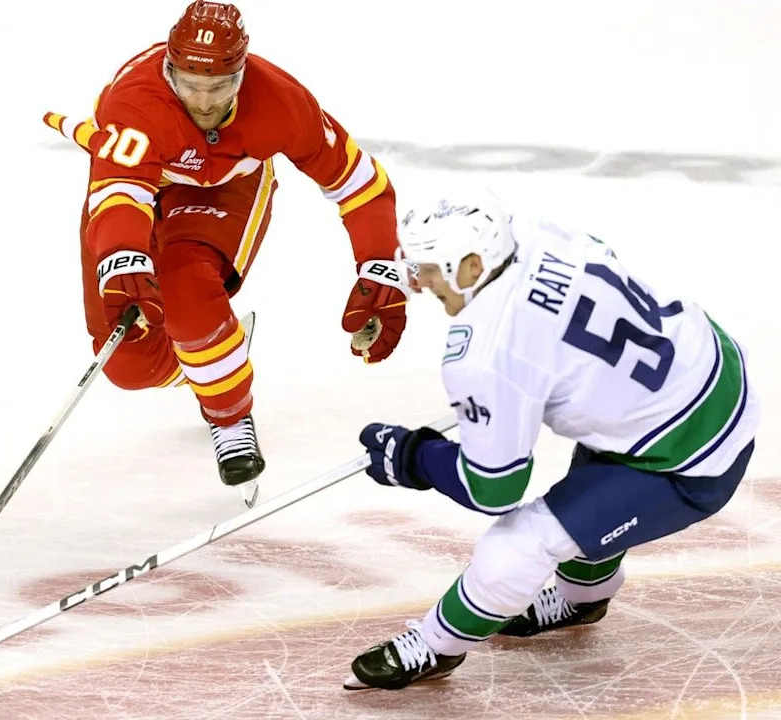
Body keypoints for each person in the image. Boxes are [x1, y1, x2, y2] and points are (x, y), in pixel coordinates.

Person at [344, 194, 760, 690]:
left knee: (518, 549)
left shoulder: (484, 355)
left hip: (690, 456)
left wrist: (414, 458)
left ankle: (436, 646)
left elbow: (492, 489)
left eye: (431, 269)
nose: (422, 280)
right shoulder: (536, 233)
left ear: (475, 264)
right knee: (590, 492)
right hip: (706, 365)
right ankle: (584, 600)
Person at [43, 1, 409, 506]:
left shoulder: (281, 100)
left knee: (187, 291)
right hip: (136, 187)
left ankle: (230, 418)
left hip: (224, 193)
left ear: (242, 72)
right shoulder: (135, 101)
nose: (203, 101)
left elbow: (362, 186)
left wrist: (380, 267)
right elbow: (120, 194)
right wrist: (124, 256)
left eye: (220, 87)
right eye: (189, 84)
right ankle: (218, 352)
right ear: (169, 67)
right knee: (129, 366)